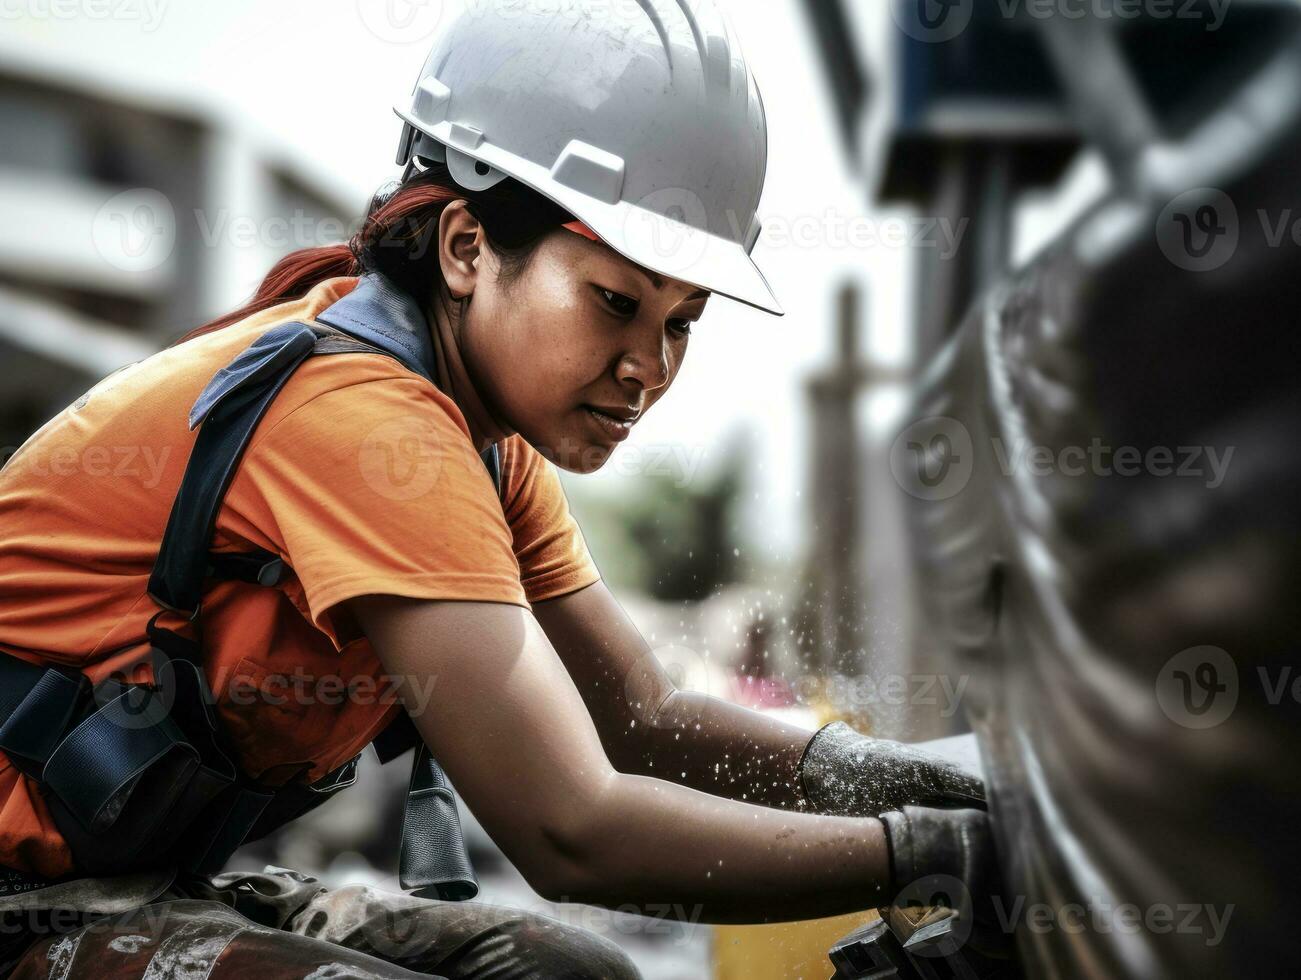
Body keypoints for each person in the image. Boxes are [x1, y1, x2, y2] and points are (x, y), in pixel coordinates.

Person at [0, 1, 995, 976]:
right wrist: (924, 851)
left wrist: (930, 774)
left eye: (681, 320)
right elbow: (569, 831)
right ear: (467, 248)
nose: (647, 366)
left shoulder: (482, 440)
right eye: (614, 301)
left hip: (131, 883)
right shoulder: (369, 427)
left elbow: (637, 714)